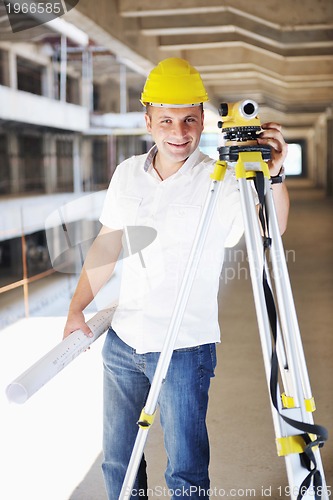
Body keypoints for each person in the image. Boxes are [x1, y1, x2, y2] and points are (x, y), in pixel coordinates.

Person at [63, 58, 289, 499]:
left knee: (185, 472)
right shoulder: (127, 173)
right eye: (166, 119)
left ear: (203, 119)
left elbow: (271, 228)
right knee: (118, 463)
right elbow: (108, 246)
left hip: (186, 348)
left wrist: (274, 177)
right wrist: (76, 308)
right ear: (148, 120)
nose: (178, 132)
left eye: (189, 119)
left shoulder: (222, 178)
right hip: (123, 344)